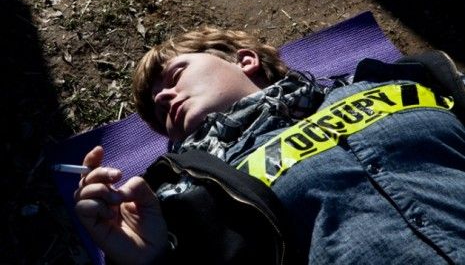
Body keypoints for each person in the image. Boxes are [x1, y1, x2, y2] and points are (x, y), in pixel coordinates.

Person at [74, 26, 465, 264]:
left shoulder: (398, 79)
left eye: (175, 75)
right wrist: (151, 259)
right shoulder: (190, 193)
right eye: (159, 117)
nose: (164, 100)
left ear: (245, 60)